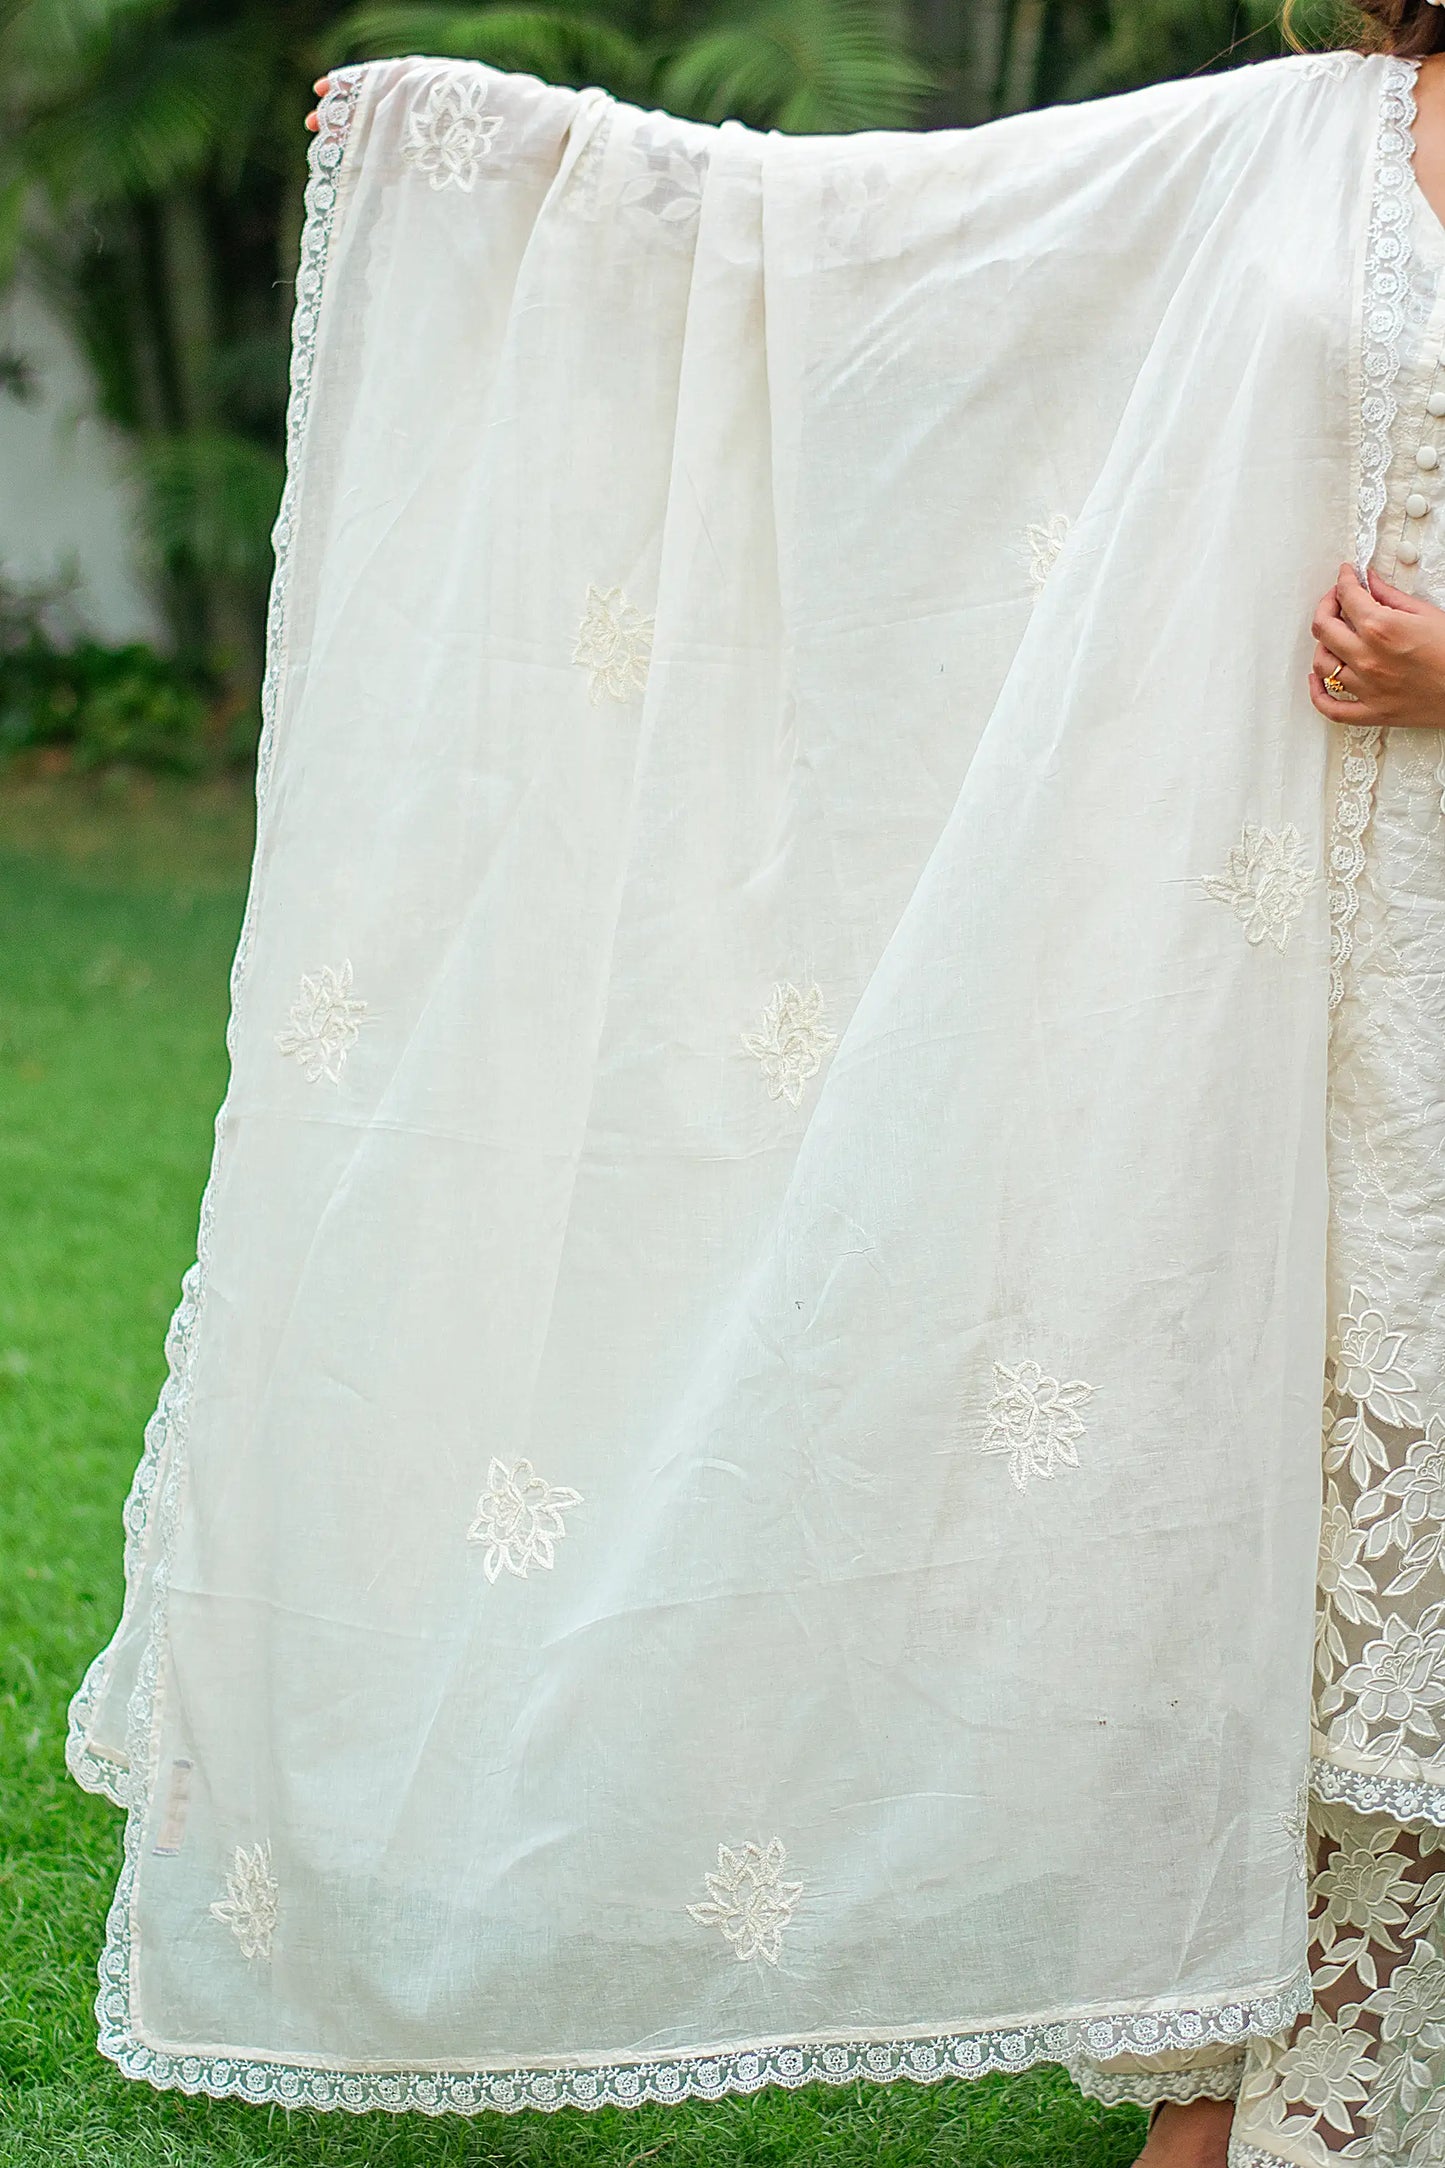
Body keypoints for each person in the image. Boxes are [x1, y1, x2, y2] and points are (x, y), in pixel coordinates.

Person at [65, 16, 1444, 2167]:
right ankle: (1225, 2064)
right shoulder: (1288, 140)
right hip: (1242, 970)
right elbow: (900, 248)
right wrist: (511, 161)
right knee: (1229, 1485)